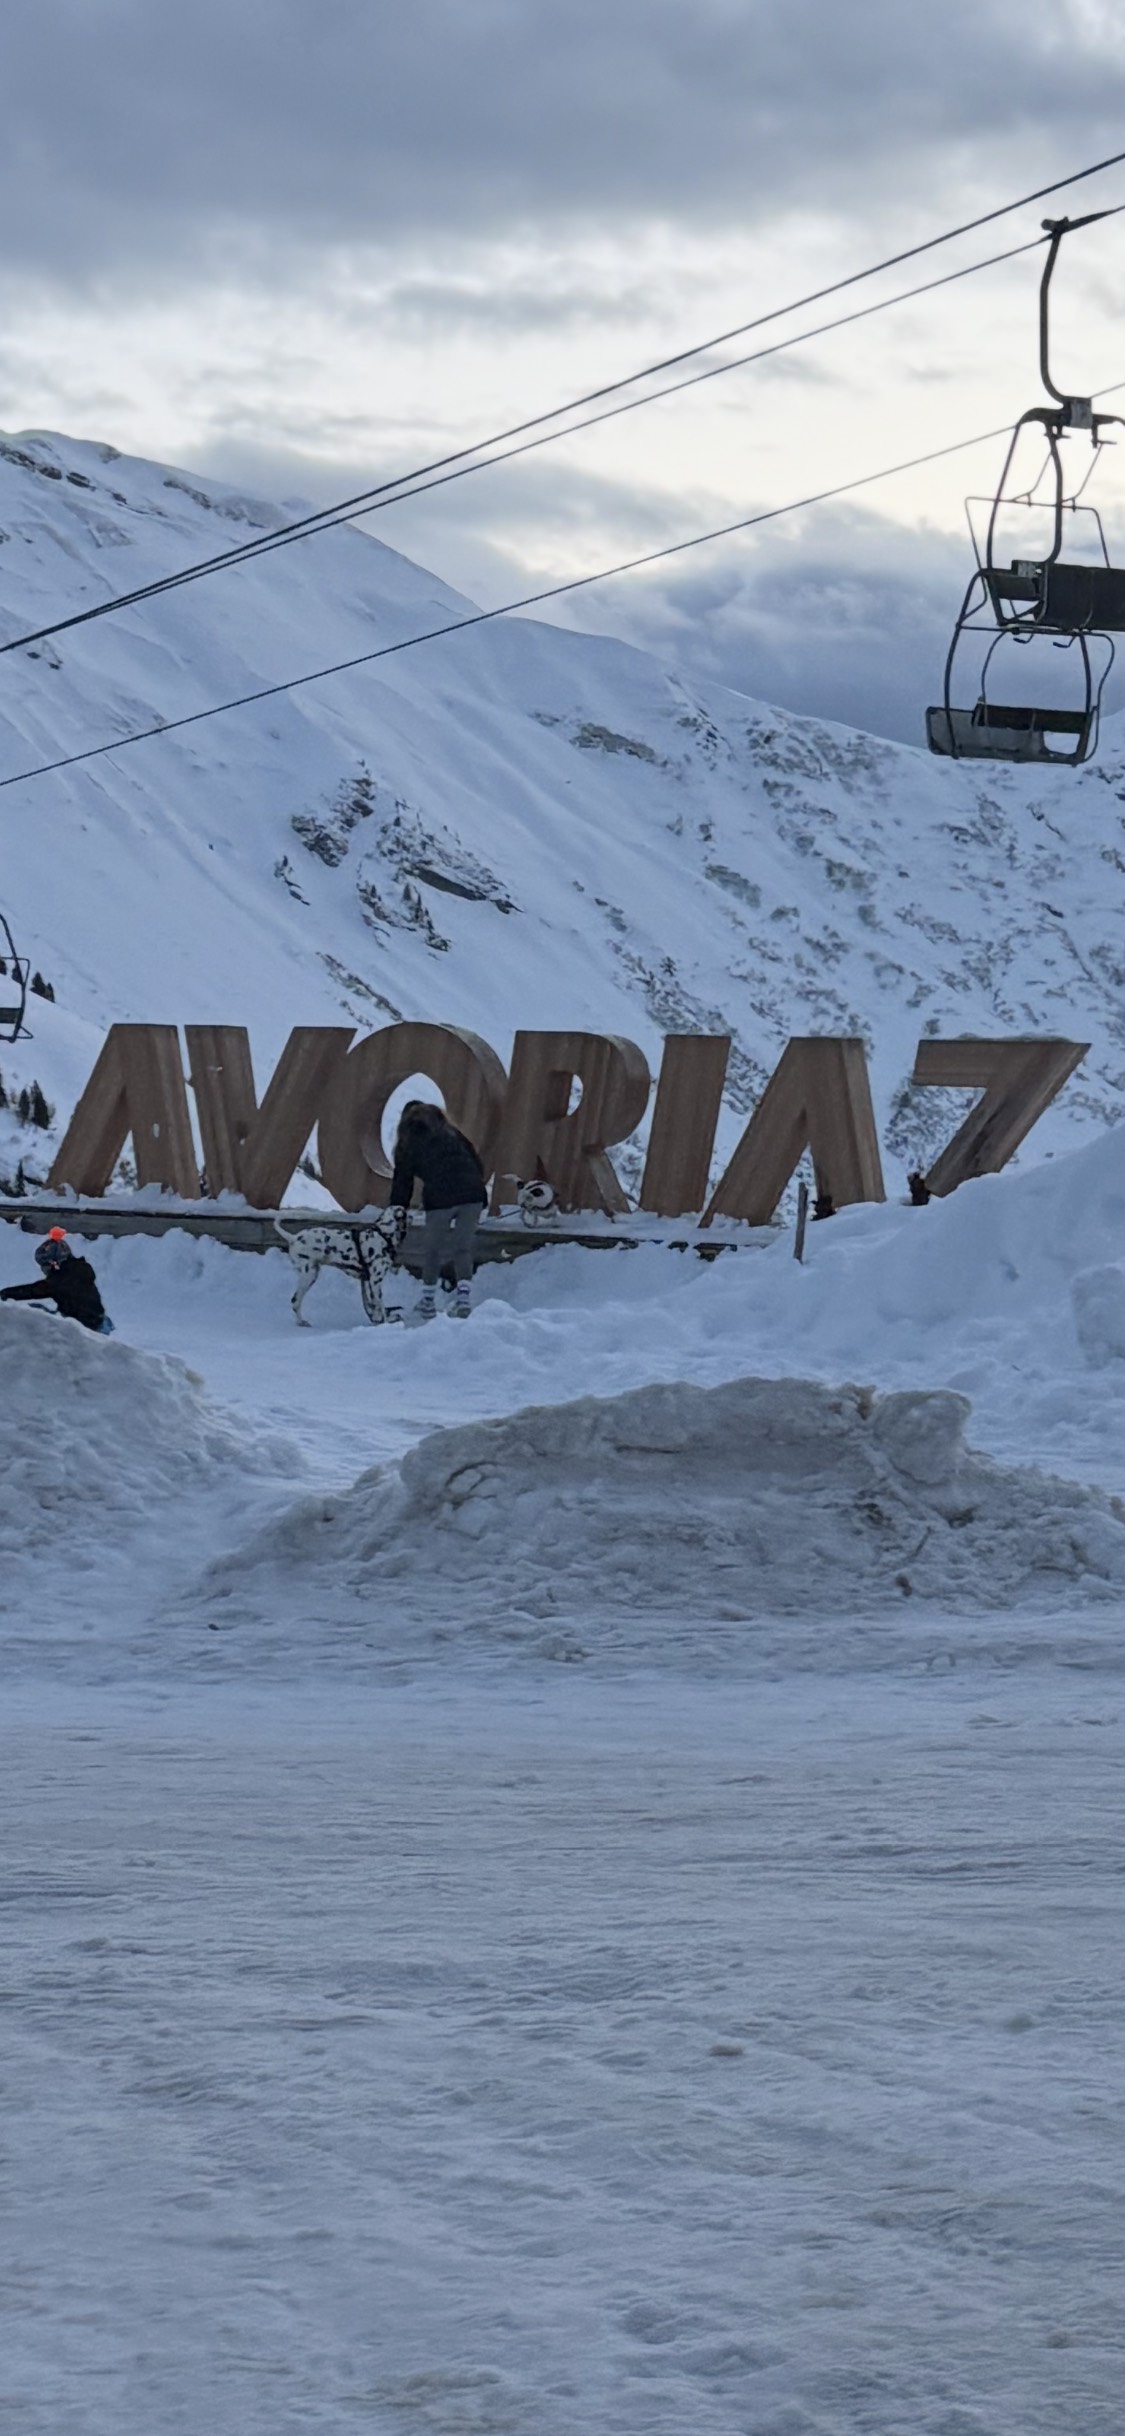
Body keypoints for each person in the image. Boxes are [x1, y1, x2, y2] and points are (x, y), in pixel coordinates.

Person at [389, 1101, 487, 1321]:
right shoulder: (452, 1133)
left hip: (440, 1197)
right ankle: (463, 1301)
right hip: (473, 1194)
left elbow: (402, 1183)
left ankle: (427, 1302)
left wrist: (396, 1212)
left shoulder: (408, 1142)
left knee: (432, 1250)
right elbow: (477, 1164)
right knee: (462, 1248)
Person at [0, 1227, 113, 1334]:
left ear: (54, 1263)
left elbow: (32, 1291)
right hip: (100, 1321)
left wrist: (5, 1294)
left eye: (44, 1265)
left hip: (86, 1327)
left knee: (33, 1313)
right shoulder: (79, 1269)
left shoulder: (60, 1280)